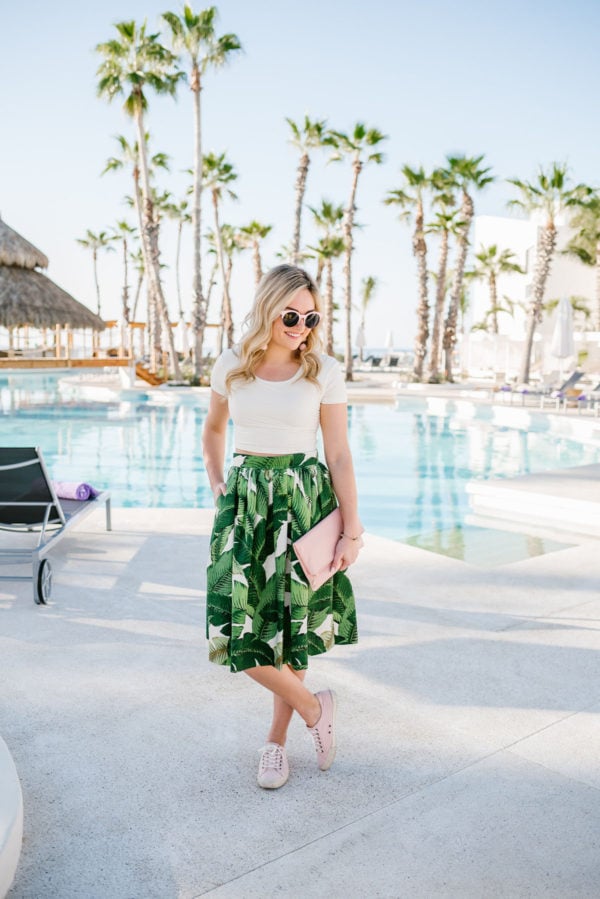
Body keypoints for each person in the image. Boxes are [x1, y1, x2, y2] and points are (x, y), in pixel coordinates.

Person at [202, 264, 362, 790]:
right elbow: (213, 429)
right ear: (268, 308)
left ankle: (275, 746)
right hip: (245, 505)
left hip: (304, 504)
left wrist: (351, 530)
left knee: (290, 635)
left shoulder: (324, 371)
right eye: (291, 314)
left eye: (311, 317)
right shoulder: (231, 365)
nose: (301, 326)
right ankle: (317, 710)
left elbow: (338, 455)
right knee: (239, 636)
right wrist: (218, 480)